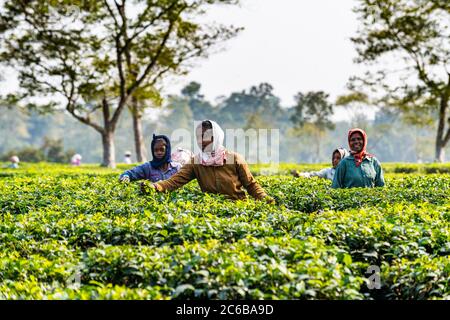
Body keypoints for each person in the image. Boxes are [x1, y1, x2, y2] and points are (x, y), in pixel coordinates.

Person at [146, 120, 274, 203]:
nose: (201, 141)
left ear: (216, 137)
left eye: (205, 137)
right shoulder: (196, 162)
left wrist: (266, 199)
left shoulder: (234, 158)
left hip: (239, 209)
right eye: (198, 137)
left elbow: (251, 185)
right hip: (212, 212)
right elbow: (174, 182)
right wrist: (155, 186)